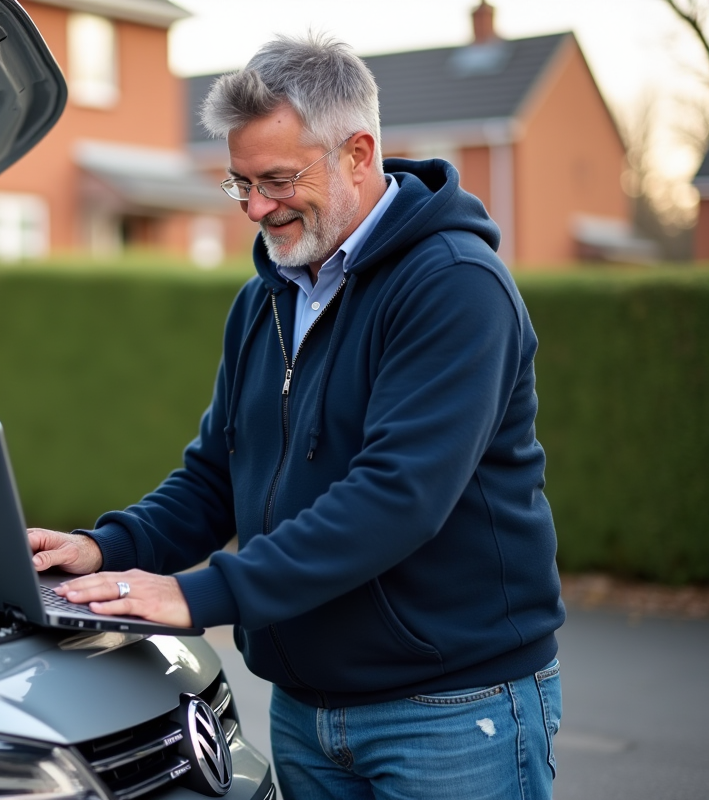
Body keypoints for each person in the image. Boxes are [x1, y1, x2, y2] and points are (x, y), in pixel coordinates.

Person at [29, 32, 564, 799]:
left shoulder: (454, 286)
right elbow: (217, 474)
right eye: (239, 182)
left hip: (450, 707)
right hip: (305, 710)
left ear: (357, 153)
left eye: (277, 178)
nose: (255, 207)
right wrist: (104, 548)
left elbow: (397, 497)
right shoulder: (267, 298)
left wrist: (202, 594)